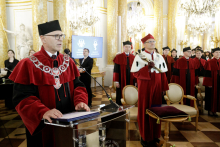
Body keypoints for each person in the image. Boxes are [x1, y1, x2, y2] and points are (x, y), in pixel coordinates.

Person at [9, 20, 89, 147]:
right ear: (43, 38)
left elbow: (78, 86)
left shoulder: (68, 61)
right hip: (43, 125)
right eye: (56, 36)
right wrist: (42, 112)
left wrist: (80, 101)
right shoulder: (28, 64)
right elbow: (22, 98)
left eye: (61, 35)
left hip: (68, 121)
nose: (60, 39)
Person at [131, 34, 168, 147]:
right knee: (145, 110)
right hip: (145, 87)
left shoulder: (159, 57)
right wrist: (147, 68)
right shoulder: (139, 56)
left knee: (156, 110)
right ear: (144, 44)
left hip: (157, 88)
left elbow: (162, 74)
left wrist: (163, 88)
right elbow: (135, 73)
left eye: (153, 41)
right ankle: (145, 136)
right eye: (150, 41)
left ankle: (155, 135)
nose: (152, 43)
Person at [113, 41, 136, 105]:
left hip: (131, 78)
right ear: (123, 47)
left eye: (129, 47)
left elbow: (135, 70)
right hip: (121, 78)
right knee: (120, 92)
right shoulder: (118, 57)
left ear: (130, 48)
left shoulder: (133, 57)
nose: (128, 48)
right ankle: (120, 106)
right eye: (126, 47)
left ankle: (130, 103)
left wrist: (136, 80)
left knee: (131, 90)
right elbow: (115, 70)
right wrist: (116, 81)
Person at [203, 47, 220, 117]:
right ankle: (210, 110)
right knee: (210, 96)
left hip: (219, 82)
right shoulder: (209, 62)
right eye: (216, 52)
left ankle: (216, 110)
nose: (218, 54)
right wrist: (208, 83)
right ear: (213, 53)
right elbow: (206, 74)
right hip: (212, 82)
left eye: (219, 52)